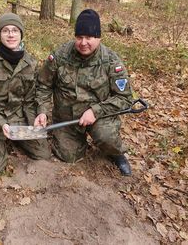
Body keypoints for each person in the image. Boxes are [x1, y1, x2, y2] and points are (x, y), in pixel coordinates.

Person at [34, 9, 133, 176]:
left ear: (99, 37)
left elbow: (124, 98)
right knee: (68, 156)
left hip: (99, 117)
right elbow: (43, 85)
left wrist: (95, 111)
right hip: (67, 119)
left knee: (106, 136)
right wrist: (42, 111)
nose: (83, 42)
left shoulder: (111, 61)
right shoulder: (61, 55)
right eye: (79, 37)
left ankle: (116, 153)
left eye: (89, 37)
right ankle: (77, 141)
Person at [0, 13, 50, 174]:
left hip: (17, 117)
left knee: (43, 154)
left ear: (21, 34)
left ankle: (14, 139)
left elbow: (32, 98)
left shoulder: (30, 62)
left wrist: (39, 116)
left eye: (15, 30)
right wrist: (1, 123)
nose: (11, 34)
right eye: (6, 30)